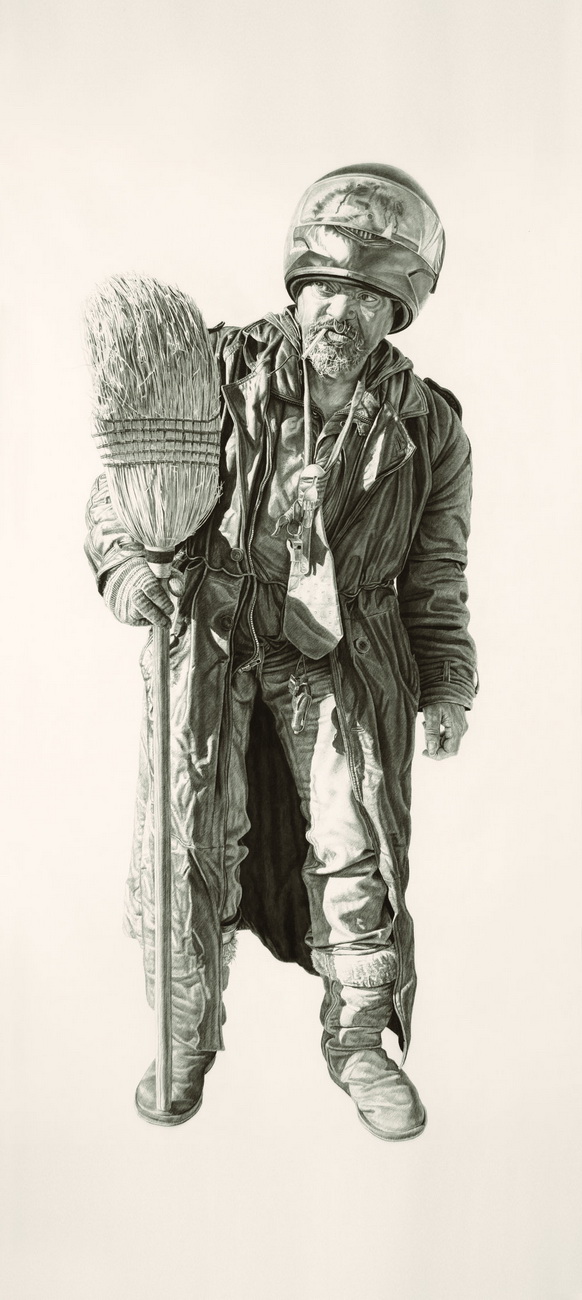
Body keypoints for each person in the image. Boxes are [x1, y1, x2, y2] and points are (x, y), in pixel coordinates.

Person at [85, 163, 477, 1140]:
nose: (343, 311)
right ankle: (184, 1031)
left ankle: (361, 1041)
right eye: (328, 288)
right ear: (298, 284)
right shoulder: (218, 370)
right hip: (214, 635)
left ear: (398, 311)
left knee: (355, 840)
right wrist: (129, 568)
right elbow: (124, 485)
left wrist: (445, 681)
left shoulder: (428, 427)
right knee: (191, 833)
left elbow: (437, 570)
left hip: (343, 659)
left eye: (369, 296)